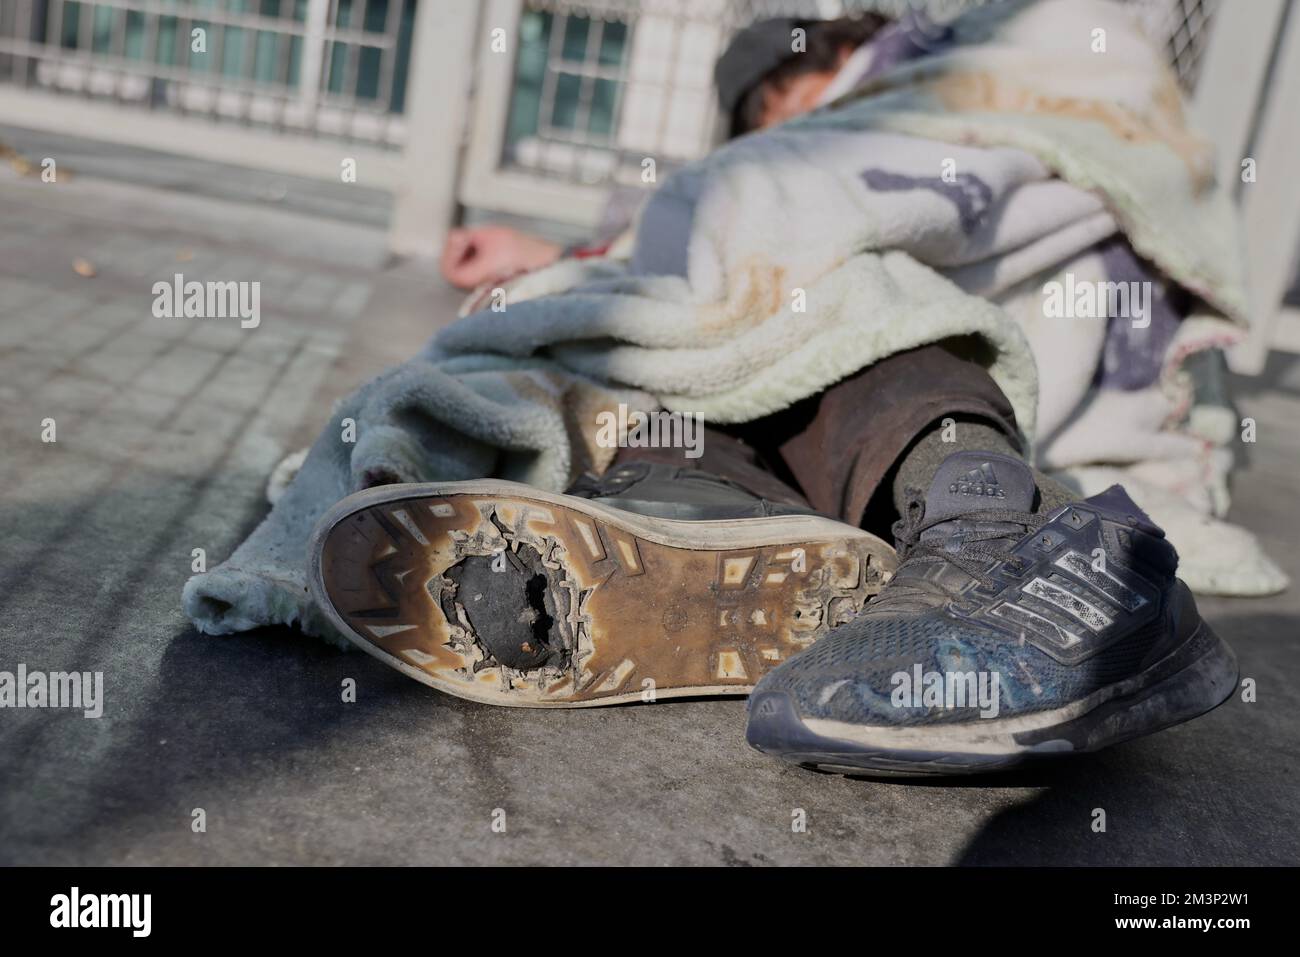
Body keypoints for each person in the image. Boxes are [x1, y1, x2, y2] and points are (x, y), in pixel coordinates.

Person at [316, 14, 1238, 776]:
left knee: (850, 291)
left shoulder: (932, 71)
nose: (776, 115)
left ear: (837, 55)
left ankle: (992, 525)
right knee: (695, 347)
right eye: (759, 112)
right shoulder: (770, 154)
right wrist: (552, 261)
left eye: (781, 93)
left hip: (946, 294)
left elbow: (1087, 98)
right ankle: (700, 504)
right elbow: (667, 253)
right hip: (776, 345)